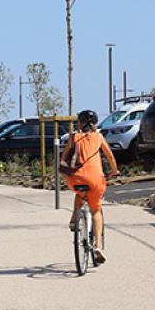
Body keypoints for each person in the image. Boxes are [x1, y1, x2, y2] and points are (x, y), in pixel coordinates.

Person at [63, 109, 119, 265]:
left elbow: (64, 157)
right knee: (95, 209)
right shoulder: (99, 137)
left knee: (79, 194)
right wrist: (115, 171)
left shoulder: (74, 137)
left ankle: (74, 218)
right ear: (95, 124)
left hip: (75, 178)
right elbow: (110, 156)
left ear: (79, 124)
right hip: (95, 179)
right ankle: (98, 246)